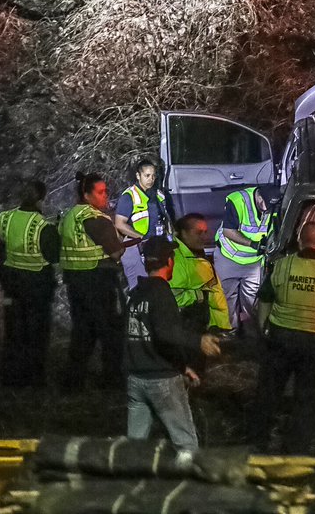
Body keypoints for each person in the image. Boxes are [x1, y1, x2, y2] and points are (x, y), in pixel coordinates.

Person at [251, 222, 315, 453]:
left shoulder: (281, 265)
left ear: (299, 241)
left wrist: (264, 328)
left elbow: (265, 299)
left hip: (281, 338)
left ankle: (258, 441)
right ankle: (296, 447)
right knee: (307, 397)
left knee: (268, 392)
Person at [125, 236, 221, 449]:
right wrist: (198, 340)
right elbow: (165, 333)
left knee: (135, 445)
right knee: (185, 443)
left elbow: (146, 337)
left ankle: (131, 477)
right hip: (161, 381)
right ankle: (189, 478)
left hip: (135, 378)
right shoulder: (161, 292)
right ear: (169, 261)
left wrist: (181, 367)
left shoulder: (136, 293)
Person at [59, 171, 126, 390]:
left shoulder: (70, 216)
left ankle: (72, 382)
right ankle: (112, 381)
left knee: (82, 333)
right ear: (87, 195)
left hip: (75, 282)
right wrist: (122, 243)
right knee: (111, 333)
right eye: (100, 192)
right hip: (99, 282)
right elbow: (116, 253)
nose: (105, 196)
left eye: (105, 191)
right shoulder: (96, 219)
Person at [0, 179, 60, 387]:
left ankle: (11, 379)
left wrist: (5, 279)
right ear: (41, 199)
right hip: (38, 289)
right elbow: (54, 255)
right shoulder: (42, 226)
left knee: (14, 335)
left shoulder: (5, 219)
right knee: (36, 336)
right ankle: (34, 380)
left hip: (13, 287)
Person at [213, 186, 270, 333]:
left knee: (252, 301)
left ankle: (251, 333)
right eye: (264, 205)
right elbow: (228, 231)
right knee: (226, 299)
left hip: (254, 262)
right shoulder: (238, 200)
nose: (265, 210)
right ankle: (230, 332)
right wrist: (253, 244)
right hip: (229, 258)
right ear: (259, 197)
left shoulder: (273, 205)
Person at [114, 159, 170, 293]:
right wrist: (141, 237)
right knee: (138, 289)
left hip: (155, 247)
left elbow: (166, 219)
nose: (151, 179)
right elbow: (119, 223)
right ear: (138, 176)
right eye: (147, 175)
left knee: (158, 288)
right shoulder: (129, 196)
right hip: (134, 247)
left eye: (153, 176)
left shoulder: (159, 195)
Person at [170, 214, 230, 332]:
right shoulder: (176, 260)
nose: (204, 236)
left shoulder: (195, 252)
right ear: (183, 233)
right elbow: (173, 297)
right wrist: (200, 295)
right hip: (199, 330)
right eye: (198, 233)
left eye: (205, 232)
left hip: (216, 326)